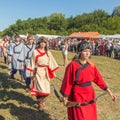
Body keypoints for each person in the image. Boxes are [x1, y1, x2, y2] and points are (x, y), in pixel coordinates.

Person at [60, 41, 117, 120]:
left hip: (90, 94)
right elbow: (68, 82)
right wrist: (65, 97)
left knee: (90, 116)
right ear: (80, 52)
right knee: (79, 116)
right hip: (77, 95)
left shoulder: (91, 64)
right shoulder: (73, 65)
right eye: (85, 51)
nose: (88, 53)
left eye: (89, 51)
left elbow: (98, 78)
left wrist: (109, 91)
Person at [26, 37, 59, 110]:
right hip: (38, 71)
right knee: (39, 88)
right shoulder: (35, 52)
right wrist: (31, 73)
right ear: (39, 43)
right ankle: (40, 103)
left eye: (44, 43)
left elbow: (51, 62)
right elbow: (32, 63)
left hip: (45, 72)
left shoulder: (48, 52)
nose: (43, 44)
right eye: (41, 42)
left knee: (46, 88)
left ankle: (42, 101)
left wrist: (53, 72)